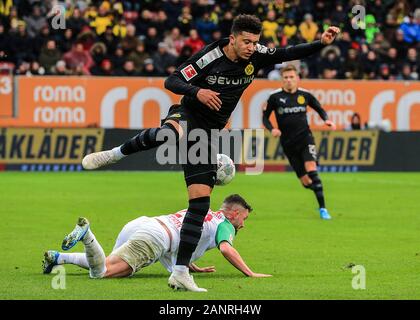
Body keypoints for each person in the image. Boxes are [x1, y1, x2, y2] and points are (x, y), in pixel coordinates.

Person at [81, 14, 340, 291]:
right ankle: (116, 153)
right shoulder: (209, 57)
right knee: (170, 132)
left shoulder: (257, 55)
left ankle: (180, 272)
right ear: (233, 39)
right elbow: (172, 81)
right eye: (246, 42)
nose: (252, 47)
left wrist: (320, 42)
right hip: (187, 112)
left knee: (200, 204)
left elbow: (289, 52)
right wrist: (198, 92)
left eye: (255, 42)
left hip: (206, 133)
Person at [42, 194, 271, 286]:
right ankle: (87, 235)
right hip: (155, 238)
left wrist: (190, 265)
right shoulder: (225, 224)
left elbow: (187, 236)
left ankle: (59, 258)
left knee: (106, 262)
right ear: (234, 213)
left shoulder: (205, 213)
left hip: (144, 224)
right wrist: (250, 273)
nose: (243, 224)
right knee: (101, 273)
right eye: (244, 218)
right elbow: (226, 250)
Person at [262, 64, 336, 220]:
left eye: (291, 77)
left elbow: (319, 108)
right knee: (305, 182)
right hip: (288, 144)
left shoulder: (305, 95)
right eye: (286, 78)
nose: (289, 80)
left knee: (311, 168)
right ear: (282, 80)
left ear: (297, 79)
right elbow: (265, 117)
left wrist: (327, 120)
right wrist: (272, 129)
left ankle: (323, 209)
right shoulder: (274, 97)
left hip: (305, 139)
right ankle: (317, 188)